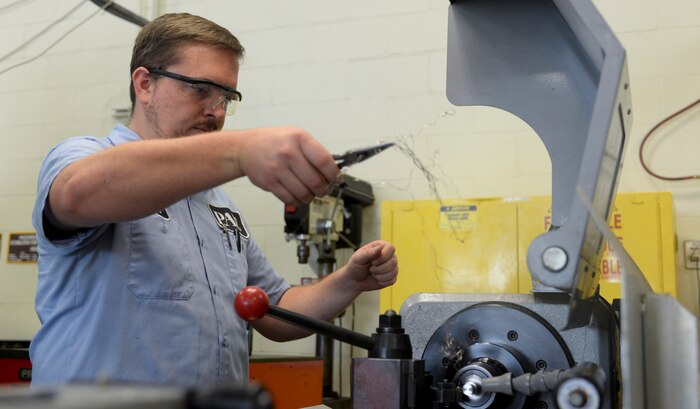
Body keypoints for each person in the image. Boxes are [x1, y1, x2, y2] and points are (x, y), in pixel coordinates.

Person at [30, 12, 398, 386]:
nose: (217, 111)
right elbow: (80, 194)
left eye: (227, 96)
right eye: (199, 89)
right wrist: (241, 150)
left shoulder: (216, 204)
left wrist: (350, 281)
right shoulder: (81, 156)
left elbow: (275, 310)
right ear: (144, 84)